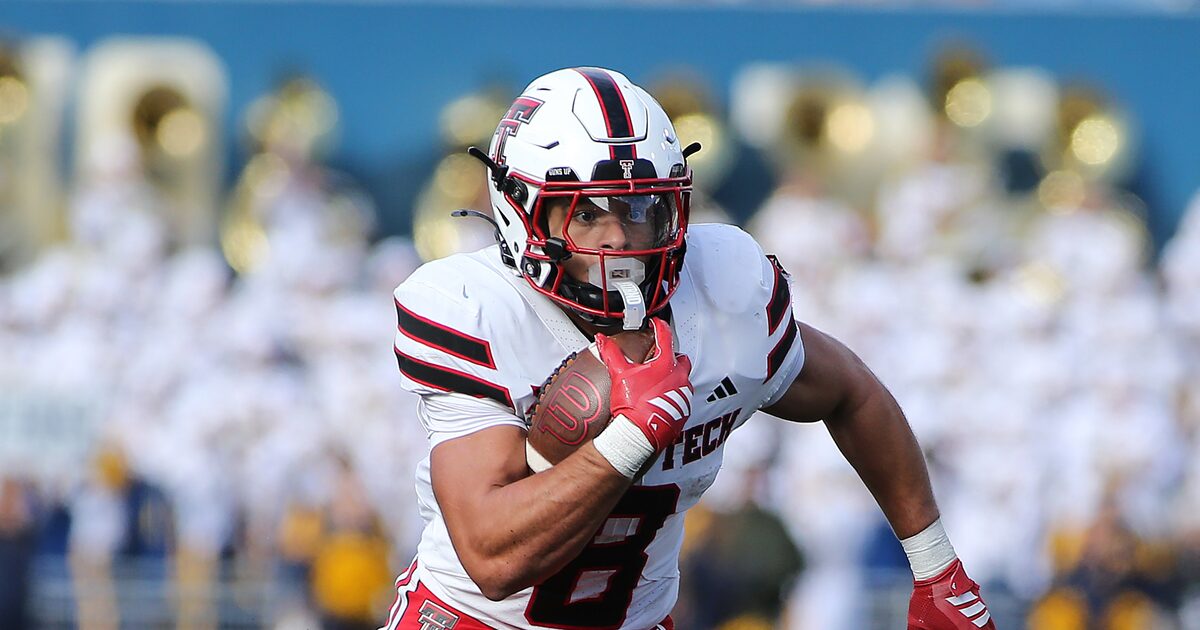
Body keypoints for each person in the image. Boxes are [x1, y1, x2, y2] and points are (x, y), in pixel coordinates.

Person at [384, 67, 994, 630]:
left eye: (638, 208)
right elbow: (492, 560)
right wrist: (633, 436)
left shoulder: (721, 290)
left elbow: (851, 392)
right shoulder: (475, 307)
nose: (619, 240)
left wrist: (936, 568)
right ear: (522, 212)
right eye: (587, 214)